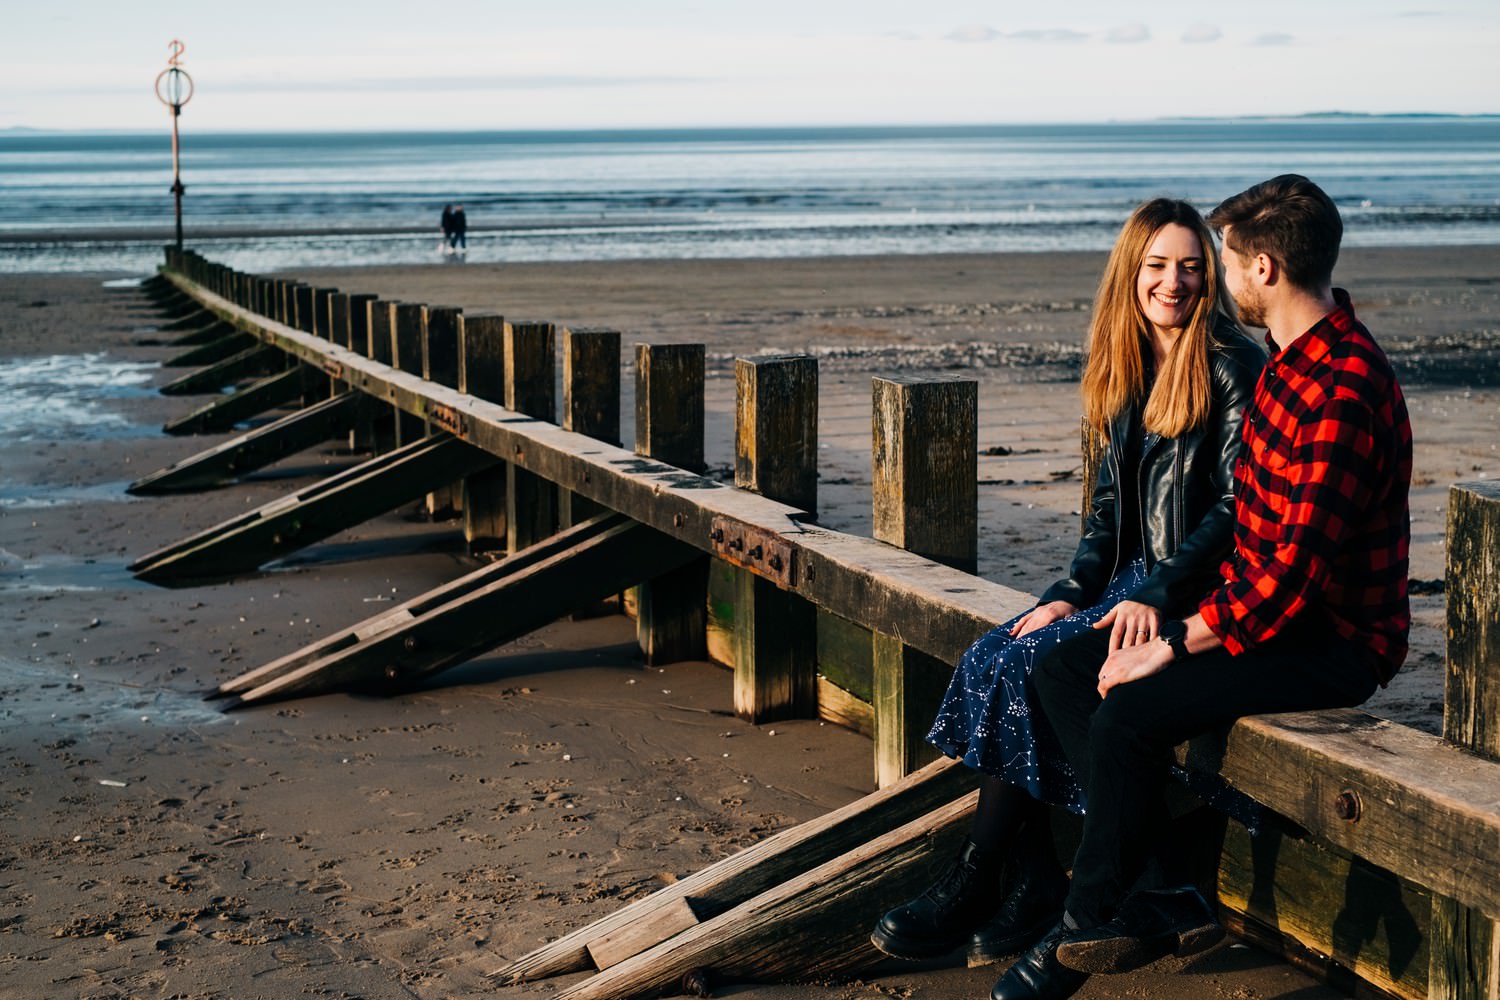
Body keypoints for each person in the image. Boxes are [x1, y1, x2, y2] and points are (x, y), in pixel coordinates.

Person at [991, 175, 1413, 1000]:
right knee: (1062, 669)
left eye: (1224, 259)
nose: (1216, 279)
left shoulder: (1341, 388)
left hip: (1331, 643)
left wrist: (1175, 641)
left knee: (1129, 714)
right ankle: (1164, 885)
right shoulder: (1291, 366)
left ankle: (1081, 923)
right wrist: (1165, 614)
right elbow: (1249, 530)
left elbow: (1292, 578)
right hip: (1264, 615)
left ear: (1264, 269)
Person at [870, 198, 1265, 972]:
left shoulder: (1230, 364)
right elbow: (1108, 511)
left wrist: (1157, 594)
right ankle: (1029, 876)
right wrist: (1067, 592)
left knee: (1035, 668)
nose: (1174, 282)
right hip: (1126, 582)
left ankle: (983, 875)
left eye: (1191, 267)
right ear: (1130, 271)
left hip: (1188, 592)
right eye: (1158, 265)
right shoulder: (1127, 362)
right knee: (992, 654)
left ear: (1210, 276)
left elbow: (1235, 507)